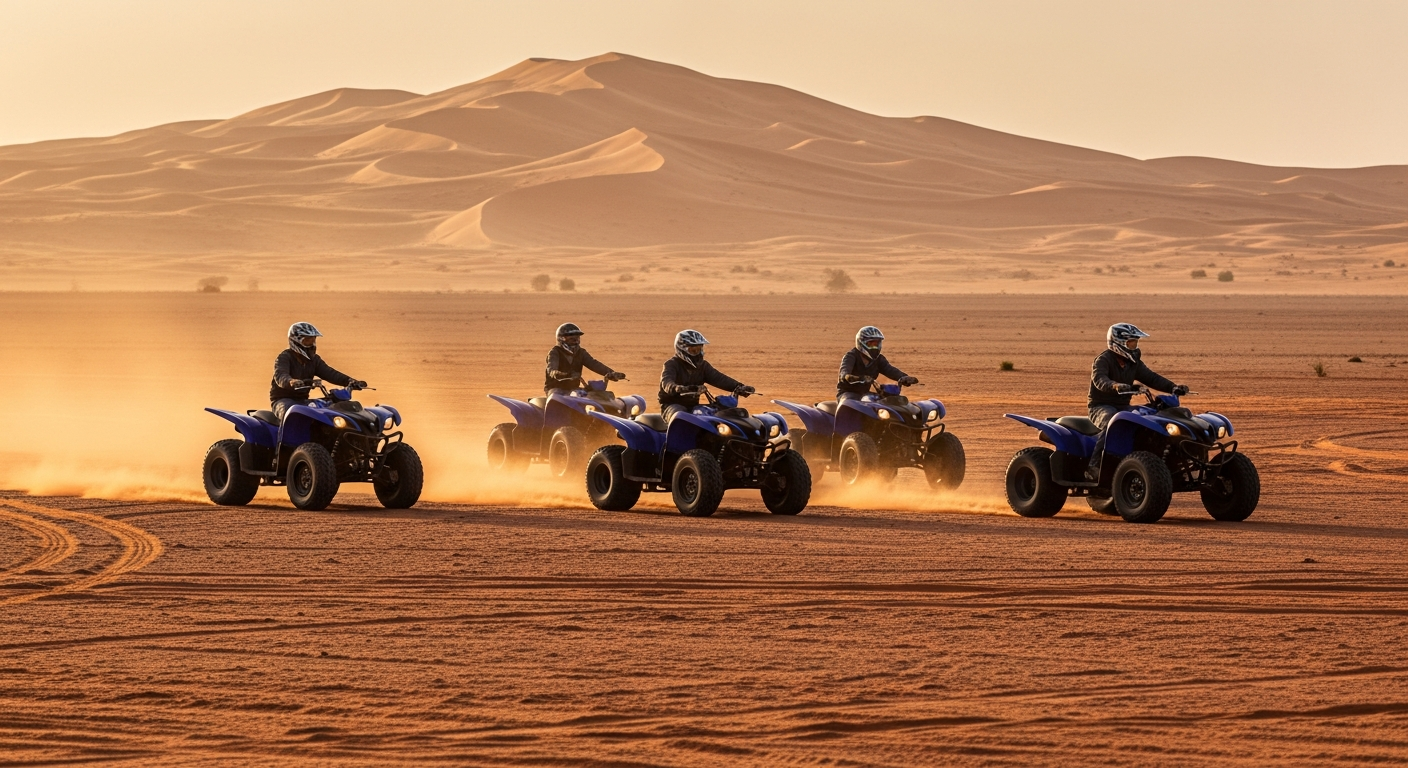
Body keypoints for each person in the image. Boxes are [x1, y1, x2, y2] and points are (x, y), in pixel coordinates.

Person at [1087, 323, 1189, 474]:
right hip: (1100, 406)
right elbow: (1100, 380)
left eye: (1135, 342)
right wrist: (1115, 386)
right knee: (1113, 423)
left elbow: (1151, 378)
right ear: (1118, 343)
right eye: (1131, 343)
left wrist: (1173, 387)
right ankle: (1094, 466)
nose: (1134, 346)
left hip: (1123, 407)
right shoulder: (1103, 360)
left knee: (1148, 417)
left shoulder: (1133, 362)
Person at [269, 322, 366, 422]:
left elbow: (331, 374)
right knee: (291, 414)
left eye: (313, 340)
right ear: (296, 341)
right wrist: (291, 381)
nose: (311, 344)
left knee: (328, 409)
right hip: (283, 400)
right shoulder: (284, 357)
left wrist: (350, 381)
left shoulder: (314, 360)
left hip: (303, 401)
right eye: (307, 341)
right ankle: (284, 433)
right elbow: (281, 375)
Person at [659, 329, 755, 421]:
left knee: (718, 413)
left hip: (692, 406)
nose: (697, 353)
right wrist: (679, 388)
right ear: (682, 349)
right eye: (693, 350)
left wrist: (739, 387)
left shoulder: (702, 366)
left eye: (699, 349)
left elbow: (719, 378)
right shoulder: (671, 364)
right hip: (671, 405)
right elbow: (667, 383)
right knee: (681, 417)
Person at [837, 326, 919, 400]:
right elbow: (844, 373)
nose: (874, 347)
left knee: (885, 401)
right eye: (871, 344)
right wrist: (855, 378)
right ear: (861, 342)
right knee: (851, 403)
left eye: (876, 344)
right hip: (847, 393)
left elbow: (890, 370)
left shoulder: (878, 359)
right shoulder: (851, 356)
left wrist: (904, 377)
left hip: (864, 394)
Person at [544, 323, 625, 395]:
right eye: (572, 339)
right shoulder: (554, 352)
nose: (576, 342)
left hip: (573, 389)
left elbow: (594, 364)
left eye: (577, 339)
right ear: (561, 339)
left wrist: (611, 373)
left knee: (595, 395)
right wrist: (566, 375)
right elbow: (551, 371)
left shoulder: (581, 352)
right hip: (555, 389)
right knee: (558, 397)